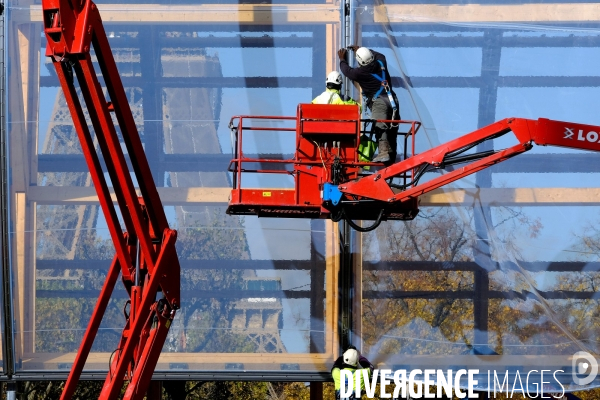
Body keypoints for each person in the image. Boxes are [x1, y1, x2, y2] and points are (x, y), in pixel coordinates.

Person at [338, 45, 399, 164]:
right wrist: (361, 48)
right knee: (392, 129)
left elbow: (347, 71)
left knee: (380, 127)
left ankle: (383, 153)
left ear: (360, 61)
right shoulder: (381, 62)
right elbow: (378, 55)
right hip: (393, 101)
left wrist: (342, 59)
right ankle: (391, 156)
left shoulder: (360, 72)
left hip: (379, 102)